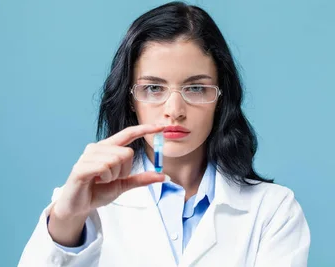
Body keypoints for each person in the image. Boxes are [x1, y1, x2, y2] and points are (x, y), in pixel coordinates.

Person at [17, 1, 311, 267]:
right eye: (153, 88)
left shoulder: (273, 210)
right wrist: (67, 219)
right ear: (130, 99)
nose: (174, 110)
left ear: (221, 97)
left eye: (196, 88)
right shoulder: (82, 204)